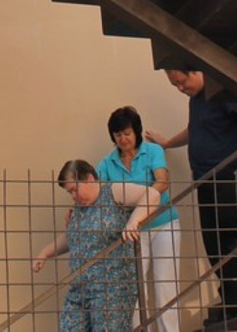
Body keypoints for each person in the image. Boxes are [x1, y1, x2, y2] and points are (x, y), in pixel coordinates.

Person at [147, 68, 237, 330]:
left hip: (231, 171)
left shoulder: (218, 88)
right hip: (205, 179)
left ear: (195, 72)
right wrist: (167, 143)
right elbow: (194, 130)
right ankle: (234, 297)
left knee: (233, 216)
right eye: (175, 85)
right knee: (215, 240)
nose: (181, 89)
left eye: (182, 82)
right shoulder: (195, 101)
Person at [31, 160, 159, 332]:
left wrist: (133, 221)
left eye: (74, 189)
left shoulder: (113, 192)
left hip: (112, 289)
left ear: (90, 179)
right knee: (68, 328)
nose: (73, 196)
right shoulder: (79, 207)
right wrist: (45, 253)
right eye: (69, 192)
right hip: (80, 287)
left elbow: (152, 195)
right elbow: (72, 237)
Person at [95, 106, 181, 332]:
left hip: (164, 224)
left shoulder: (153, 151)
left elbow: (162, 182)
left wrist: (142, 202)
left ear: (136, 131)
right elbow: (97, 194)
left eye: (127, 133)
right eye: (117, 135)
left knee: (165, 286)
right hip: (132, 232)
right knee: (133, 289)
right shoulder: (107, 163)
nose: (123, 139)